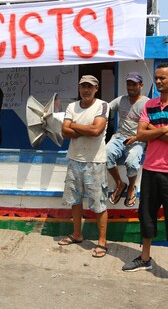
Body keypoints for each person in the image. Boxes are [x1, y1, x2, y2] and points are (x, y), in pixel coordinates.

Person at [122, 62, 168, 290]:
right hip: (151, 169)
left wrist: (154, 131)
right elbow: (140, 134)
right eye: (157, 78)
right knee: (147, 214)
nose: (159, 81)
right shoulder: (150, 104)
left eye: (163, 78)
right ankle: (145, 258)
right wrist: (164, 128)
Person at [57, 75, 110, 258]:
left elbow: (97, 131)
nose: (85, 90)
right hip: (74, 159)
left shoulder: (103, 105)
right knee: (75, 200)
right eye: (82, 86)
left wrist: (75, 127)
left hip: (95, 161)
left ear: (96, 88)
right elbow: (64, 132)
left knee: (98, 203)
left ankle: (102, 242)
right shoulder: (72, 106)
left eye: (89, 86)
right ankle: (77, 234)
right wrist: (84, 129)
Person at [106, 72, 149, 208]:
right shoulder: (121, 100)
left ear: (141, 85)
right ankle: (120, 183)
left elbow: (152, 125)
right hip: (119, 137)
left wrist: (138, 138)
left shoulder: (147, 103)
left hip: (137, 140)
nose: (131, 87)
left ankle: (131, 187)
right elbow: (105, 108)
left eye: (134, 84)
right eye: (128, 84)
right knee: (105, 154)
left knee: (131, 162)